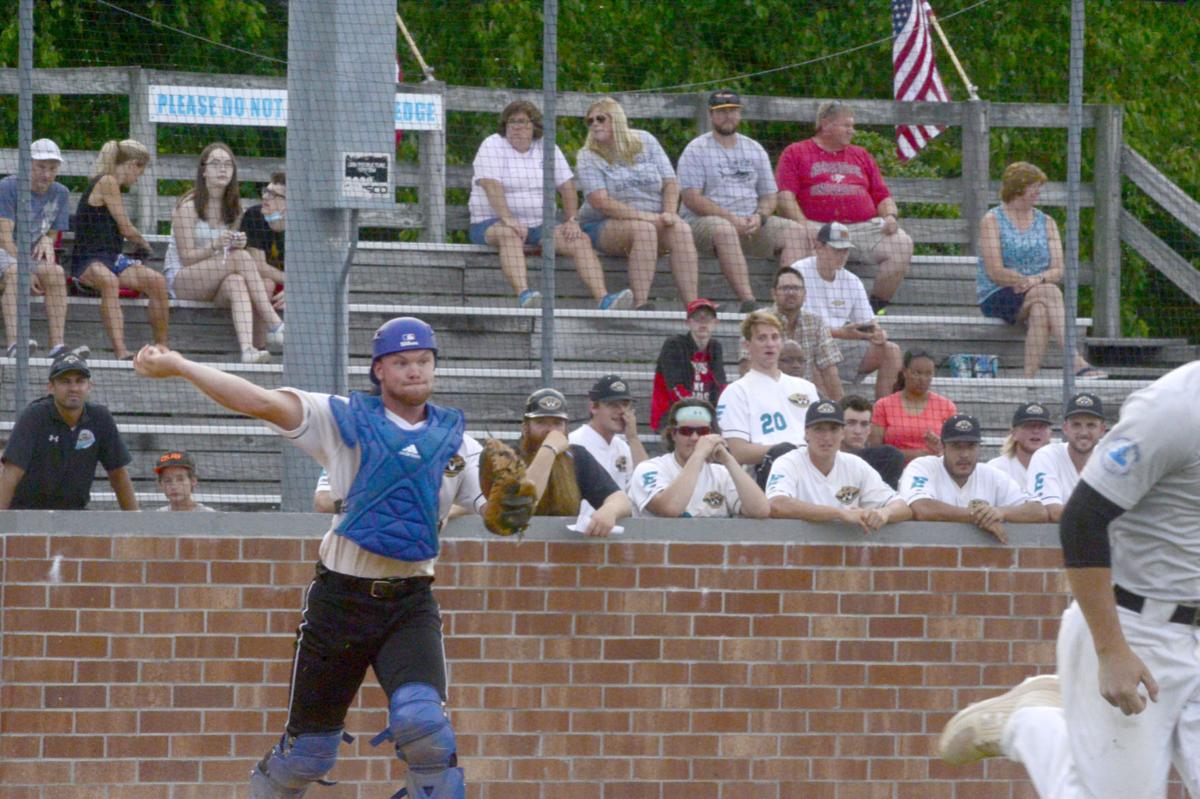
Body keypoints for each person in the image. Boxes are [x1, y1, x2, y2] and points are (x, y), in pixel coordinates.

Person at [134, 316, 526, 799]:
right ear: (379, 370)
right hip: (340, 601)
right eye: (401, 362)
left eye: (424, 361)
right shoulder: (344, 420)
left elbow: (497, 514)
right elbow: (259, 401)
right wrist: (180, 365)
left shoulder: (459, 443)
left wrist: (511, 508)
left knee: (426, 730)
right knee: (307, 757)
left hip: (409, 603)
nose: (414, 370)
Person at [937, 361, 1200, 799]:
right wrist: (1111, 650)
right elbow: (1081, 519)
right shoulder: (1178, 407)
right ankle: (1029, 724)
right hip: (1135, 630)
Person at [468, 100, 624, 310]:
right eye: (511, 122)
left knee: (579, 239)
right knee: (509, 234)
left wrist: (571, 220)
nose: (516, 127)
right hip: (490, 223)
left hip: (540, 225)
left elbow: (567, 187)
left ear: (535, 126)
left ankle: (604, 299)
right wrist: (508, 219)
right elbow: (491, 185)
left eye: (523, 122)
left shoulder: (547, 147)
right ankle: (525, 295)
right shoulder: (492, 144)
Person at [775, 100, 912, 313]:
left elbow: (882, 196)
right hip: (818, 226)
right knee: (797, 237)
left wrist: (891, 217)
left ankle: (873, 309)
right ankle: (798, 312)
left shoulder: (861, 155)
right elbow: (784, 198)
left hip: (861, 228)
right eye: (846, 125)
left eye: (852, 125)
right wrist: (803, 225)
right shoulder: (796, 152)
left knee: (902, 244)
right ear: (825, 124)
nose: (852, 131)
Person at [676, 89, 808, 311]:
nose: (728, 116)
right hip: (704, 223)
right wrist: (731, 219)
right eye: (721, 112)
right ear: (711, 115)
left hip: (750, 221)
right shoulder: (696, 150)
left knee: (796, 232)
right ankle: (749, 303)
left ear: (740, 114)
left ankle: (783, 303)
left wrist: (761, 215)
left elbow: (769, 194)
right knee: (724, 229)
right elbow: (691, 198)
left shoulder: (753, 148)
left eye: (733, 111)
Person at [977, 161, 1105, 379]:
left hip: (1037, 288)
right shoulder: (992, 220)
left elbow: (1058, 269)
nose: (1038, 192)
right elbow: (994, 270)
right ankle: (1075, 361)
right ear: (1018, 187)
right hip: (1000, 292)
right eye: (1034, 187)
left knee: (1041, 310)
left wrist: (1035, 280)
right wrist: (1022, 280)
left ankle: (1027, 380)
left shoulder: (1047, 222)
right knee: (1051, 293)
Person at [164, 142, 286, 364]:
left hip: (216, 280)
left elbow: (227, 254)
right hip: (184, 278)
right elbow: (186, 258)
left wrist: (237, 242)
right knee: (240, 258)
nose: (222, 169)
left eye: (228, 164)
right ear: (204, 170)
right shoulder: (188, 208)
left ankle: (248, 350)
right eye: (216, 164)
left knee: (237, 281)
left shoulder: (234, 209)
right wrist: (216, 246)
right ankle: (275, 324)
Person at [575, 97, 699, 310]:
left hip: (655, 218)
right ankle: (641, 303)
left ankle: (693, 304)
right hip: (603, 224)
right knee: (644, 229)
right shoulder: (588, 156)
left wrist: (670, 212)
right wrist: (647, 217)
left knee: (681, 229)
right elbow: (600, 201)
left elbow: (670, 182)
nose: (594, 124)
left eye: (600, 118)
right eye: (590, 121)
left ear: (617, 120)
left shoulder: (645, 140)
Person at [71, 138, 169, 360]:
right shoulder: (107, 182)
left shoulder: (112, 184)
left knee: (157, 281)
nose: (138, 178)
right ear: (133, 164)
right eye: (139, 172)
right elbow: (126, 227)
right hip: (88, 260)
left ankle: (163, 347)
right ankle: (121, 351)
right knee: (109, 281)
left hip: (112, 258)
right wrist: (145, 245)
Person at [0, 352, 136, 510]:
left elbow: (118, 474)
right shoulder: (34, 416)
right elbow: (11, 474)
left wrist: (138, 529)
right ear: (51, 387)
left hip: (75, 515)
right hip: (28, 513)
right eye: (65, 382)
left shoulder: (101, 418)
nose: (74, 388)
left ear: (89, 386)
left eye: (80, 381)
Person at [791, 222, 902, 399]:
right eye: (837, 249)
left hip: (839, 346)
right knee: (815, 348)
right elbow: (794, 325)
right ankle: (831, 411)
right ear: (818, 247)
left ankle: (883, 415)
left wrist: (877, 333)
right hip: (805, 346)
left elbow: (869, 322)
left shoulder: (852, 281)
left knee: (891, 350)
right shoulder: (798, 272)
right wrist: (841, 333)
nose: (842, 255)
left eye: (845, 250)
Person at [766, 400, 911, 534]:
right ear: (806, 433)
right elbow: (776, 504)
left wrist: (884, 513)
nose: (827, 437)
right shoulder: (788, 462)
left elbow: (903, 507)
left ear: (842, 433)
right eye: (819, 429)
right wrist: (839, 513)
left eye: (834, 429)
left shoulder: (855, 464)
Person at [900, 414, 1046, 544]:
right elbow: (922, 508)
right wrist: (979, 517)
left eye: (971, 446)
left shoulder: (990, 474)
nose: (964, 454)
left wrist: (1000, 512)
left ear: (979, 448)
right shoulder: (923, 466)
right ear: (943, 447)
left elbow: (1038, 511)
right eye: (957, 446)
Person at [518, 387, 632, 537]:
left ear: (566, 427)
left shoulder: (577, 456)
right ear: (525, 428)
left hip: (565, 546)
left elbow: (621, 499)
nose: (550, 430)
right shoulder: (508, 457)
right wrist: (549, 449)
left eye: (557, 423)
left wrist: (609, 511)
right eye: (541, 422)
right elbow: (524, 504)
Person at [629, 398, 769, 519]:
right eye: (686, 431)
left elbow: (760, 510)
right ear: (673, 434)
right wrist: (699, 454)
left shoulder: (721, 474)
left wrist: (728, 459)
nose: (695, 438)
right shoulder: (650, 469)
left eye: (702, 432)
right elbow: (670, 508)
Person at [716, 309, 819, 469]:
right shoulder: (736, 392)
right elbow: (739, 452)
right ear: (747, 345)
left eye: (774, 337)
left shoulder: (806, 388)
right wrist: (788, 452)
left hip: (810, 469)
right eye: (762, 338)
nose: (770, 344)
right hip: (765, 471)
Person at [0, 138, 73, 358]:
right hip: (4, 250)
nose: (46, 174)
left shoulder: (61, 193)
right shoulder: (8, 187)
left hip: (27, 254)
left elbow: (53, 230)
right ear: (27, 165)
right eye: (41, 167)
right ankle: (15, 343)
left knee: (57, 273)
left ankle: (57, 345)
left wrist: (47, 239)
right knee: (15, 273)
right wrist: (27, 268)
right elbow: (4, 238)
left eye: (52, 168)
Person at [759, 265, 844, 398]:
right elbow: (747, 365)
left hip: (803, 397)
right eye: (785, 288)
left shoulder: (816, 322)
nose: (791, 293)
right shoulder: (759, 321)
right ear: (774, 293)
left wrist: (841, 410)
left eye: (796, 288)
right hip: (767, 394)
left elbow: (829, 371)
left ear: (804, 294)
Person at [650, 298, 727, 432]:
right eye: (697, 318)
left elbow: (721, 386)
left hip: (706, 417)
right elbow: (675, 389)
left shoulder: (715, 347)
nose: (703, 323)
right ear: (688, 323)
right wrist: (700, 411)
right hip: (672, 416)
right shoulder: (674, 344)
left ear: (716, 323)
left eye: (708, 318)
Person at [1028, 392, 1107, 523]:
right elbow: (1052, 512)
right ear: (1065, 428)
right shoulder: (1046, 456)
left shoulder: (1110, 460)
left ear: (1102, 429)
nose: (1083, 432)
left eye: (1091, 425)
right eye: (1076, 425)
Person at [869, 349, 957, 463]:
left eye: (928, 373)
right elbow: (875, 450)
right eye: (917, 373)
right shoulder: (883, 405)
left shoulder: (946, 407)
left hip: (933, 471)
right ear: (905, 372)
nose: (922, 379)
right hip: (893, 472)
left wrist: (940, 447)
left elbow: (954, 451)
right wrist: (919, 455)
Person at [568, 374, 647, 492]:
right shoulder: (573, 443)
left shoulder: (623, 447)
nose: (621, 411)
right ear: (594, 407)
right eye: (613, 405)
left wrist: (633, 438)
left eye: (625, 404)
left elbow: (647, 482)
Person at [240, 170, 287, 312]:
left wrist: (298, 290)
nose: (265, 197)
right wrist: (295, 285)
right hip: (264, 281)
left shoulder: (304, 225)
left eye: (274, 195)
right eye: (266, 191)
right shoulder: (254, 216)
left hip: (296, 286)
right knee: (266, 284)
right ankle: (269, 333)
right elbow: (258, 266)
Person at [840, 394, 904, 490]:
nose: (858, 431)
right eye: (851, 423)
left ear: (870, 429)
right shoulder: (823, 460)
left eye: (864, 424)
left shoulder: (885, 461)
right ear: (838, 425)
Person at [986, 401, 1054, 487]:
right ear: (1014, 434)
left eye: (1042, 426)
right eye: (1029, 426)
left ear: (1050, 434)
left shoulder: (1059, 468)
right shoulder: (995, 469)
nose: (1036, 431)